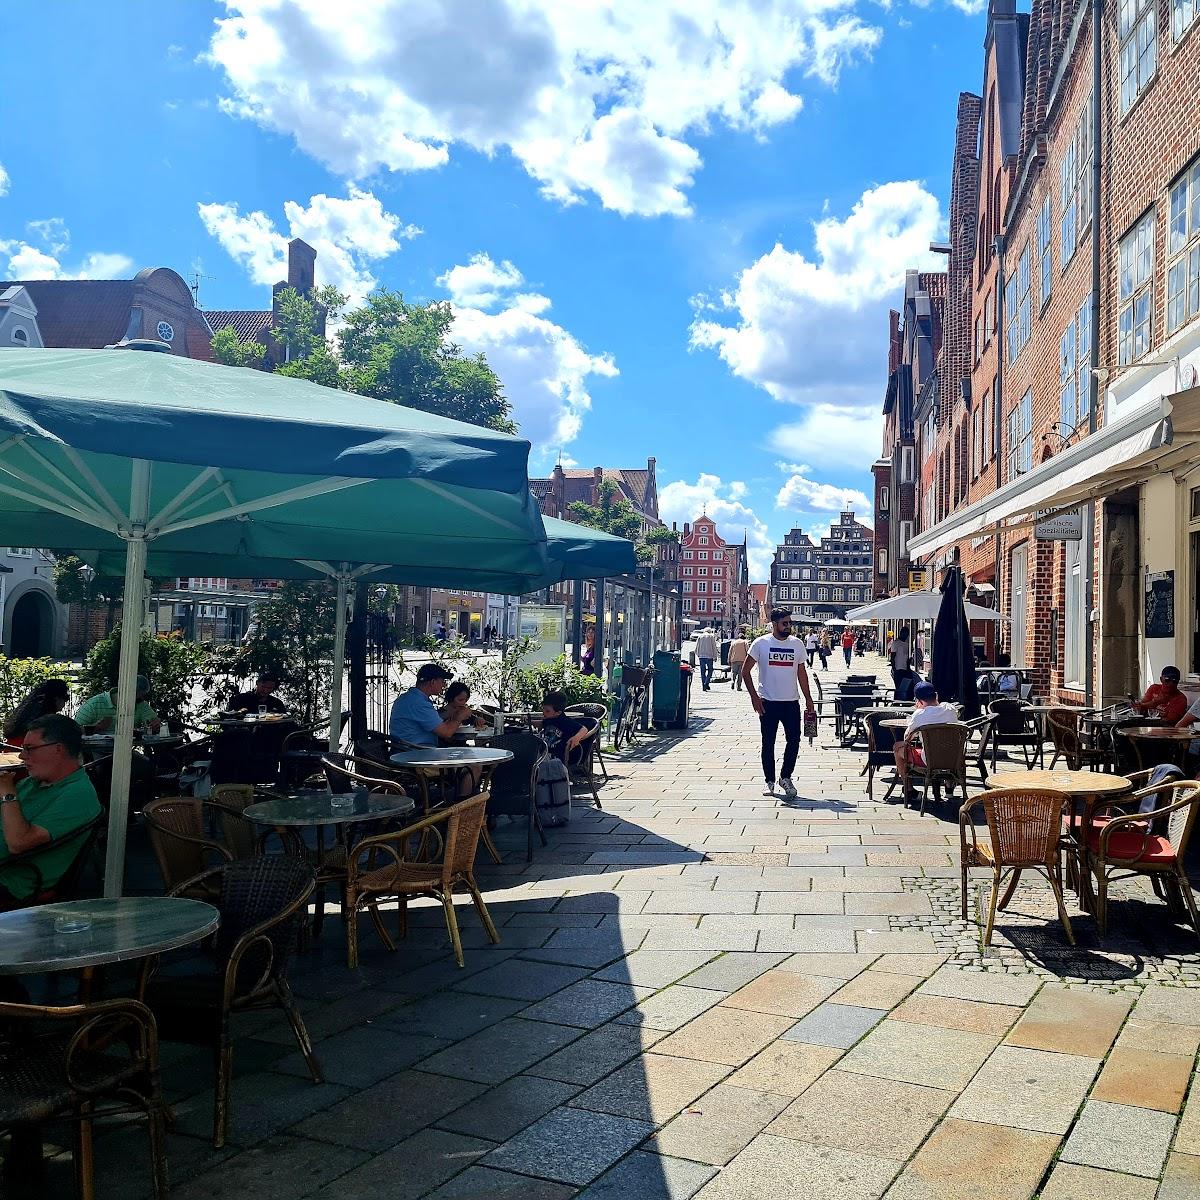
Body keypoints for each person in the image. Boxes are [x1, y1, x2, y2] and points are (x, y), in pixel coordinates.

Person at [0, 715, 101, 909]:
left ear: (58, 749)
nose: (22, 756)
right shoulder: (34, 781)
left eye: (29, 748)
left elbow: (18, 842)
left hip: (12, 883)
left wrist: (7, 792)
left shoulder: (77, 794)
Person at [742, 608, 816, 798]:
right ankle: (769, 781)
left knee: (794, 740)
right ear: (774, 624)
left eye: (789, 623)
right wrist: (754, 697)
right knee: (768, 742)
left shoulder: (797, 644)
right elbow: (745, 671)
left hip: (791, 702)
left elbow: (802, 674)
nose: (788, 626)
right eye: (784, 623)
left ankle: (785, 776)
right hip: (768, 702)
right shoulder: (761, 644)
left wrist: (808, 698)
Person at [893, 682, 959, 802]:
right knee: (949, 745)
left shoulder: (919, 715)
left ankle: (909, 789)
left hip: (929, 760)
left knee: (897, 747)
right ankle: (949, 787)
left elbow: (907, 739)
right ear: (936, 695)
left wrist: (918, 712)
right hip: (953, 759)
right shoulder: (950, 708)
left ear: (919, 701)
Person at [389, 663, 470, 747]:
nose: (444, 685)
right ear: (433, 682)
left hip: (408, 750)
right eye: (442, 681)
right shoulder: (418, 703)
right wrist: (459, 716)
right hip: (414, 753)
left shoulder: (409, 698)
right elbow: (446, 732)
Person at [75, 675, 161, 734]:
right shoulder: (94, 704)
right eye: (140, 695)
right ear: (127, 691)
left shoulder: (140, 704)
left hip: (126, 752)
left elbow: (153, 722)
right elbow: (73, 731)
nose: (142, 699)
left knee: (145, 761)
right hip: (94, 752)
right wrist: (96, 727)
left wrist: (155, 725)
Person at [3, 679, 71, 746]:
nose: (65, 701)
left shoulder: (26, 715)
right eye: (66, 698)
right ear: (56, 699)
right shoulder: (49, 721)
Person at [541, 691, 590, 766]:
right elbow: (541, 723)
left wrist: (576, 738)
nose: (543, 712)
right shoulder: (550, 719)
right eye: (543, 708)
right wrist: (529, 721)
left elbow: (584, 729)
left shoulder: (565, 721)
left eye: (547, 710)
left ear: (558, 712)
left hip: (558, 756)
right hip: (546, 751)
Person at [888, 627, 913, 694]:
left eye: (907, 634)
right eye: (905, 634)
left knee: (905, 688)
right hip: (898, 668)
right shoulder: (896, 643)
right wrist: (894, 668)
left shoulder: (907, 644)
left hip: (905, 669)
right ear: (901, 633)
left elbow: (906, 657)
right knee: (898, 687)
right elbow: (892, 656)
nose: (906, 636)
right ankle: (897, 701)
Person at [694, 627, 718, 691]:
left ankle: (703, 684)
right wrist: (715, 656)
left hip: (701, 656)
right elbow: (714, 647)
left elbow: (696, 647)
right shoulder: (711, 637)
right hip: (709, 656)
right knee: (710, 670)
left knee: (702, 671)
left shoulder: (700, 636)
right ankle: (706, 682)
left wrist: (698, 654)